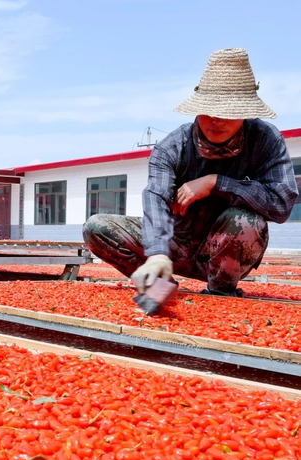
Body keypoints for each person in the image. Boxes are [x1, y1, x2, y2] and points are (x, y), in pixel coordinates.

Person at [83, 48, 299, 297]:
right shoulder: (172, 148)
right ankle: (160, 283)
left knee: (246, 220)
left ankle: (220, 292)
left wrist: (217, 183)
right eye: (208, 110)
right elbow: (156, 199)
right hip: (176, 245)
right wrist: (156, 253)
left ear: (245, 112)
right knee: (97, 227)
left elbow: (282, 203)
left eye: (227, 112)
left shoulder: (265, 140)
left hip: (227, 252)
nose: (216, 120)